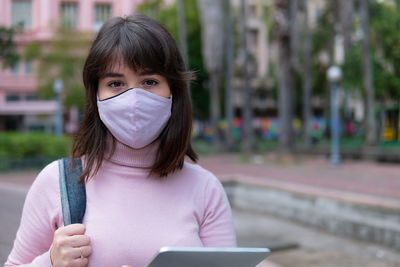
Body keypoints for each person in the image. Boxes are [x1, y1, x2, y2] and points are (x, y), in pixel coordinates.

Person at [5, 14, 236, 267]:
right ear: (96, 95)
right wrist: (50, 262)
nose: (134, 98)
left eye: (150, 82)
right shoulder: (56, 183)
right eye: (115, 83)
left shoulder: (205, 189)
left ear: (173, 92)